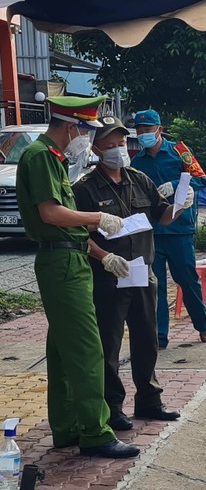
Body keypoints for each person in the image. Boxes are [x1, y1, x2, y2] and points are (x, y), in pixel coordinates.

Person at [15, 96, 139, 459]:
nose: (85, 138)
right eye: (86, 131)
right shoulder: (41, 157)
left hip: (70, 261)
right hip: (62, 267)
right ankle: (96, 432)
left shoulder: (49, 158)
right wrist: (95, 217)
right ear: (72, 127)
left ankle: (68, 427)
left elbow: (66, 230)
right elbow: (52, 214)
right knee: (87, 349)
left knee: (64, 351)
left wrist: (104, 256)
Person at [74, 116, 195, 431]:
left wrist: (181, 205)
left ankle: (149, 401)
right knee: (109, 344)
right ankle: (112, 407)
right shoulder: (85, 188)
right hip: (109, 275)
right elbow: (75, 234)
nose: (118, 149)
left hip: (142, 272)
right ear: (97, 149)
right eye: (110, 144)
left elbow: (162, 216)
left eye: (120, 143)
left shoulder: (139, 179)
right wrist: (105, 257)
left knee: (147, 339)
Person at [130, 109, 206, 348]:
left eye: (148, 130)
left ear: (159, 129)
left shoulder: (180, 151)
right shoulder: (137, 162)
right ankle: (159, 337)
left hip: (180, 229)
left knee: (187, 280)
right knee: (155, 286)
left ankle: (203, 325)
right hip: (152, 231)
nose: (144, 134)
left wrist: (176, 185)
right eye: (140, 131)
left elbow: (201, 179)